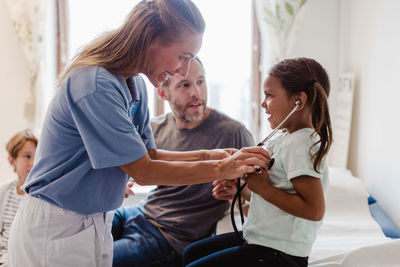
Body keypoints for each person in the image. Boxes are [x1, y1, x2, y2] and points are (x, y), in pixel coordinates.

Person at [8, 1, 269, 266]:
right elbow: (143, 171)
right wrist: (222, 168)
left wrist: (209, 155)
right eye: (183, 56)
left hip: (95, 220)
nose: (183, 69)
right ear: (151, 40)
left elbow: (148, 155)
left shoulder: (135, 86)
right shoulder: (95, 84)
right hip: (56, 224)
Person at [183, 57, 333, 267]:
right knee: (192, 252)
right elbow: (278, 195)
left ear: (298, 101)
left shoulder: (300, 143)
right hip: (262, 241)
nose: (263, 103)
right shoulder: (285, 138)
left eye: (269, 95)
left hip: (281, 254)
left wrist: (263, 188)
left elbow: (314, 210)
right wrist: (241, 191)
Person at [111, 57, 255, 267]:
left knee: (94, 261)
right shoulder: (155, 128)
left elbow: (258, 195)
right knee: (79, 238)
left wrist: (239, 193)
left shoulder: (233, 134)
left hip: (169, 238)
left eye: (201, 81)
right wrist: (120, 181)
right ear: (163, 93)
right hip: (137, 213)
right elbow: (131, 166)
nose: (196, 92)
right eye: (184, 85)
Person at [0, 130, 37, 266]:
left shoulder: (39, 195)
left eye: (36, 156)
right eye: (27, 156)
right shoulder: (4, 192)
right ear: (12, 160)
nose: (33, 163)